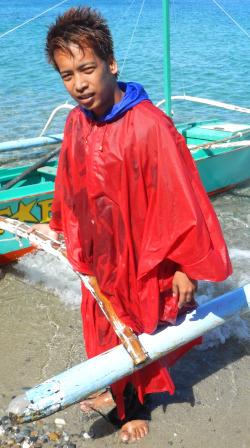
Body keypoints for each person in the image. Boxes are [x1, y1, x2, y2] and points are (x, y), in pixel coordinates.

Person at [28, 6, 232, 442]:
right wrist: (58, 224)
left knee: (140, 324)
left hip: (145, 253)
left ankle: (134, 408)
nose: (79, 84)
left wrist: (184, 266)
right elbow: (67, 180)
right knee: (103, 321)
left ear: (111, 64)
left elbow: (182, 198)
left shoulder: (150, 125)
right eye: (67, 75)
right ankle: (114, 388)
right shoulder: (74, 122)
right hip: (98, 251)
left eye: (87, 69)